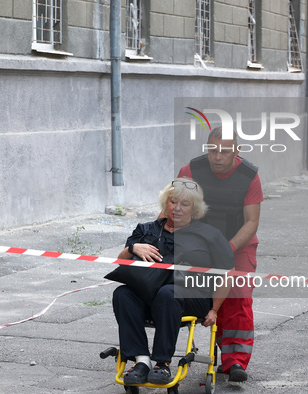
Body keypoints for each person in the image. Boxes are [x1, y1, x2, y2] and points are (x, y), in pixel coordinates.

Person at [112, 178, 234, 386]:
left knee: (168, 292)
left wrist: (214, 310)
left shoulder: (209, 235)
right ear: (165, 203)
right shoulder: (146, 229)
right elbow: (121, 262)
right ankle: (142, 361)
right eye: (173, 201)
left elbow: (228, 273)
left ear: (194, 209)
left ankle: (162, 363)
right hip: (148, 296)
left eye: (185, 204)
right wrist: (133, 248)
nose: (177, 208)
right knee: (122, 293)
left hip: (191, 298)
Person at [177, 126, 263, 382]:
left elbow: (251, 222)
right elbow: (175, 207)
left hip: (236, 245)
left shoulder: (249, 177)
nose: (217, 157)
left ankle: (235, 360)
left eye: (224, 152)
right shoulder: (190, 171)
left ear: (236, 151)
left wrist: (226, 249)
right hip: (198, 245)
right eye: (212, 150)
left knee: (237, 296)